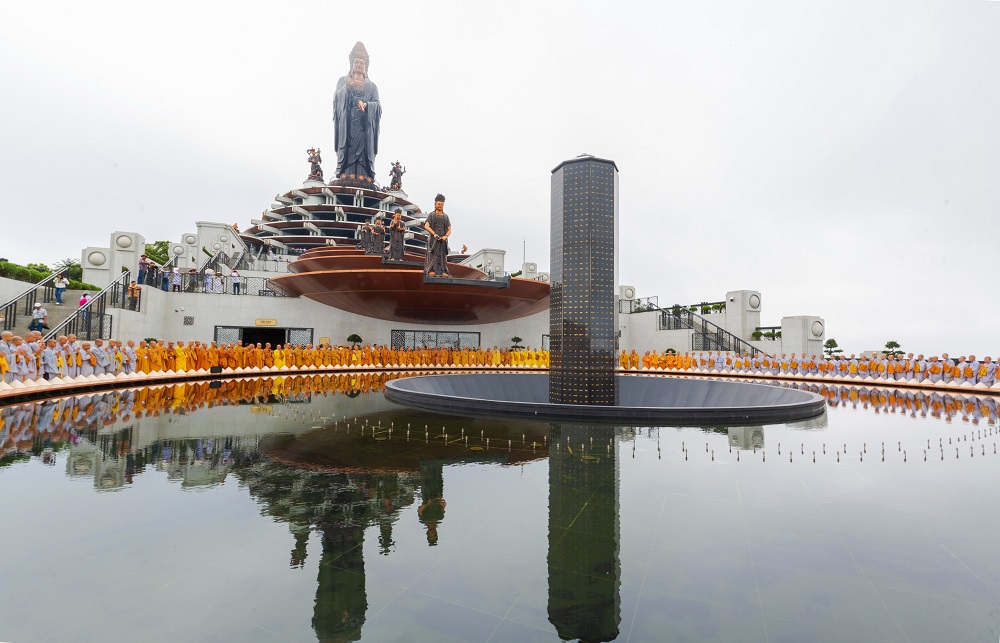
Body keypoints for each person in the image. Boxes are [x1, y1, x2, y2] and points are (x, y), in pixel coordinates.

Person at [333, 41, 381, 183]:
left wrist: (367, 105)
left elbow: (377, 105)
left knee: (363, 149)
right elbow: (336, 99)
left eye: (362, 63)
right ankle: (346, 172)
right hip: (348, 124)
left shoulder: (372, 86)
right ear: (352, 64)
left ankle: (364, 173)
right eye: (357, 62)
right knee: (348, 146)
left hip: (364, 125)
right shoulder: (343, 80)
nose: (359, 65)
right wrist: (347, 88)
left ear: (366, 66)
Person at [423, 194, 452, 277]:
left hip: (443, 239)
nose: (440, 206)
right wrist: (434, 234)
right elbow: (426, 226)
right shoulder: (431, 215)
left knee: (442, 255)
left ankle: (443, 270)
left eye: (442, 204)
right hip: (434, 239)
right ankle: (431, 269)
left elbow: (449, 229)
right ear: (435, 204)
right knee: (433, 254)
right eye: (438, 204)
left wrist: (445, 236)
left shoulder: (446, 217)